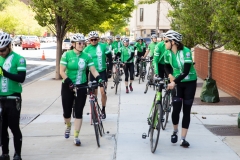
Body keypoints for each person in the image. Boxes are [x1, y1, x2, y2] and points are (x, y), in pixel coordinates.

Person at [60, 33, 102, 146]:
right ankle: (68, 125)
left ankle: (76, 136)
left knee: (79, 112)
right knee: (66, 112)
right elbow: (62, 71)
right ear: (73, 44)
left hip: (81, 86)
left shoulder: (87, 56)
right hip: (67, 85)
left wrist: (99, 79)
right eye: (79, 43)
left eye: (83, 43)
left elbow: (93, 70)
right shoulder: (66, 55)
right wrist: (69, 82)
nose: (82, 45)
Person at [164, 30, 197, 147]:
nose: (164, 43)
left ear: (173, 42)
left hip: (189, 82)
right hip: (177, 83)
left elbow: (186, 71)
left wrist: (174, 82)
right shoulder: (168, 53)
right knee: (176, 108)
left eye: (166, 41)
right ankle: (175, 131)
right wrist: (169, 75)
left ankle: (183, 139)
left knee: (186, 110)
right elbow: (166, 65)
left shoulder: (186, 52)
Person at [0, 32, 26, 160]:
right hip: (0, 98)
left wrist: (4, 73)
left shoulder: (19, 59)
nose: (1, 53)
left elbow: (21, 78)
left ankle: (17, 154)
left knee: (13, 126)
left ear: (9, 46)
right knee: (2, 127)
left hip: (13, 97)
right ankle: (5, 153)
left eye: (3, 50)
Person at [83, 31, 113, 119]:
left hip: (102, 72)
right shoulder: (87, 49)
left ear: (98, 39)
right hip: (92, 73)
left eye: (95, 39)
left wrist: (110, 70)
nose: (93, 41)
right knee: (94, 94)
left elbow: (110, 58)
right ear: (89, 40)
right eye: (92, 39)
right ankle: (95, 109)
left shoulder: (103, 46)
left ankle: (103, 109)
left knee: (103, 92)